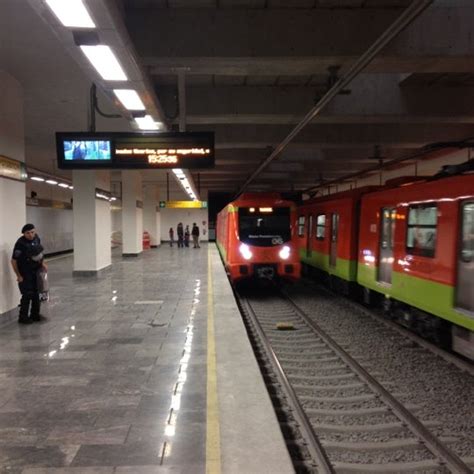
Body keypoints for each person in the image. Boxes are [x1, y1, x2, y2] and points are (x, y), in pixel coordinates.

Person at [10, 224, 47, 324]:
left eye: (32, 232)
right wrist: (18, 275)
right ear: (23, 234)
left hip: (36, 271)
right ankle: (23, 317)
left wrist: (43, 264)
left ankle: (35, 315)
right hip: (25, 272)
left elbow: (39, 253)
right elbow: (13, 261)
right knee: (27, 294)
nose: (31, 235)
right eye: (28, 233)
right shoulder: (20, 244)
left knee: (37, 293)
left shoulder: (36, 238)